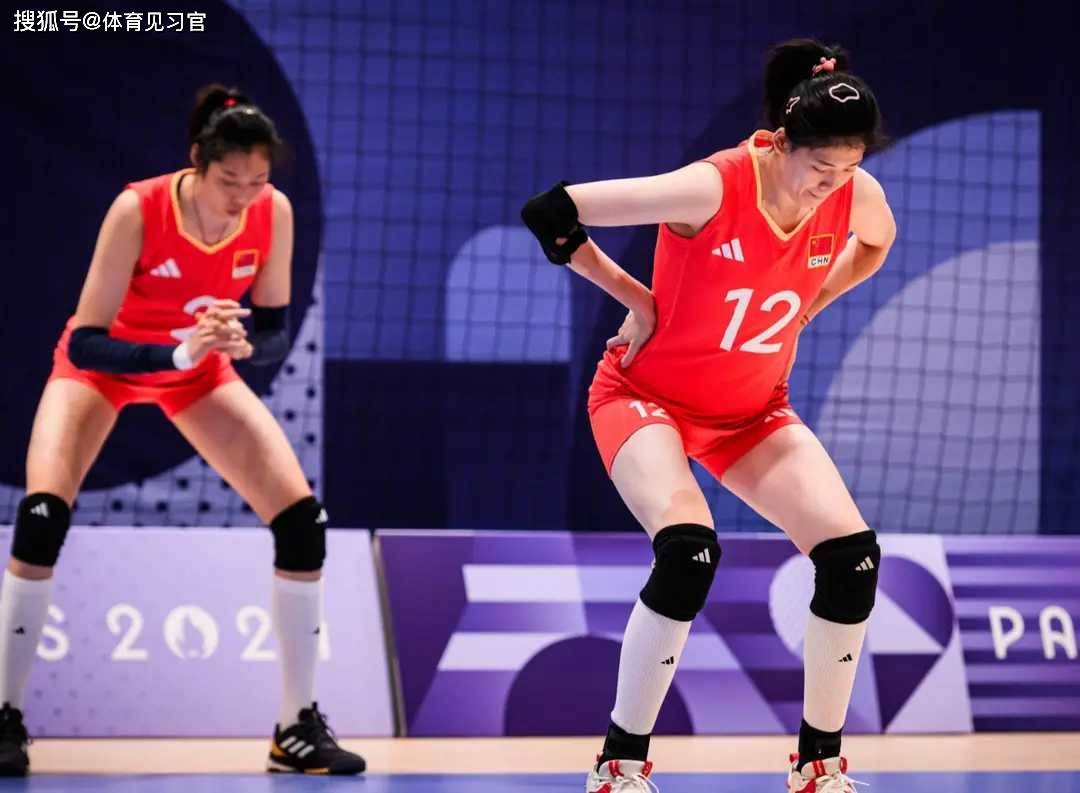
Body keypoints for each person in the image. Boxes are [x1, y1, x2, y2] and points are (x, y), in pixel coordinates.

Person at [522, 39, 896, 793]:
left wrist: (812, 303)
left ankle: (818, 767)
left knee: (852, 558)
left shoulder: (853, 192)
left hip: (752, 413)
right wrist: (637, 299)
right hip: (644, 399)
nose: (831, 187)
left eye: (848, 169)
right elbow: (552, 211)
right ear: (782, 141)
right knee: (689, 552)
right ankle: (618, 766)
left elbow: (876, 242)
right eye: (820, 168)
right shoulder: (711, 186)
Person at [0, 84, 365, 777]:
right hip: (103, 371)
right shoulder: (137, 209)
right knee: (42, 516)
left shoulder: (273, 212)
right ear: (198, 161)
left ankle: (295, 729)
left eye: (257, 182)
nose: (243, 197)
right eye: (229, 181)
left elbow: (273, 331)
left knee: (302, 523)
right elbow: (86, 341)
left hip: (198, 372)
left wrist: (242, 344)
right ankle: (4, 716)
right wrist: (176, 352)